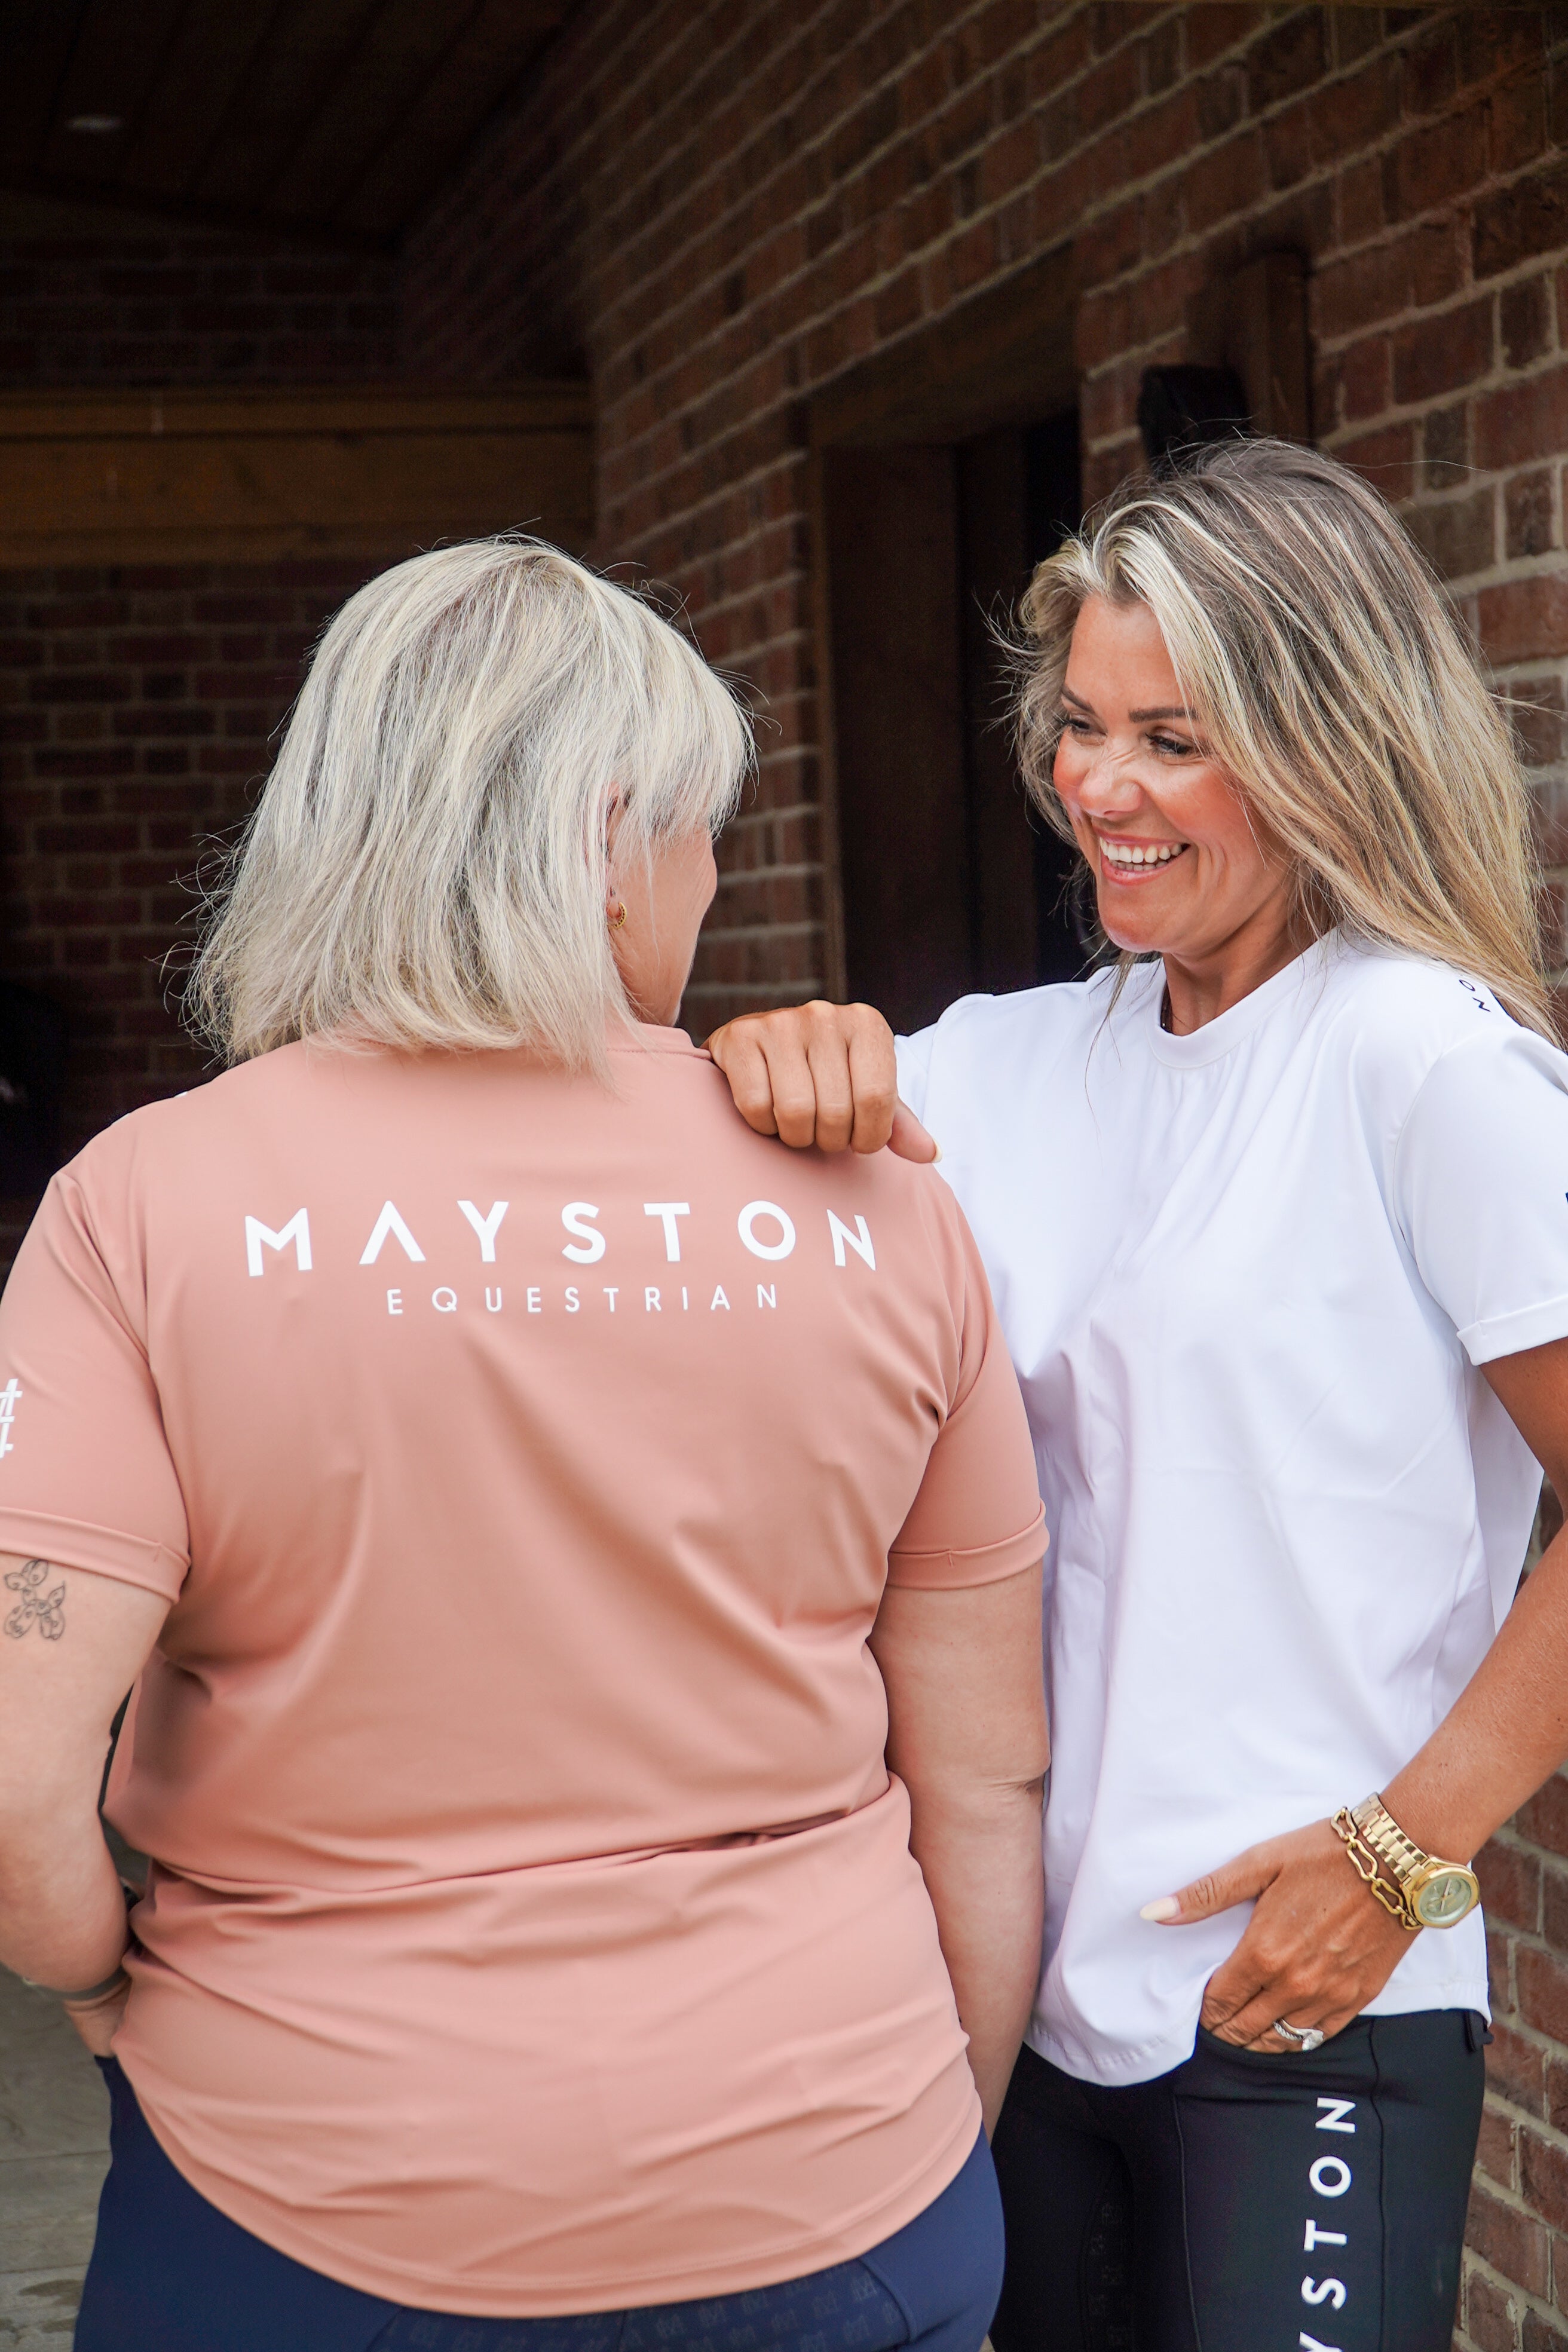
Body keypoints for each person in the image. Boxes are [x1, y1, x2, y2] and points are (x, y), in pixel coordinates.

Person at [0, 540, 1050, 2352]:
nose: (711, 887)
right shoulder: (886, 1207)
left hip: (307, 2195)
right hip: (841, 2188)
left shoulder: (144, 1207)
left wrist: (94, 1985)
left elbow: (14, 1777)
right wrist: (921, 2131)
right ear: (619, 829)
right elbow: (984, 1788)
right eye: (708, 832)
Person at [705, 439, 1568, 2352]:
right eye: (1084, 727)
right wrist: (771, 1058)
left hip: (1304, 1995)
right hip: (1017, 2001)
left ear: (1326, 741)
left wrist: (1405, 1852)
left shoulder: (1421, 1063)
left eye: (1173, 734)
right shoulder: (1002, 1070)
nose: (1101, 787)